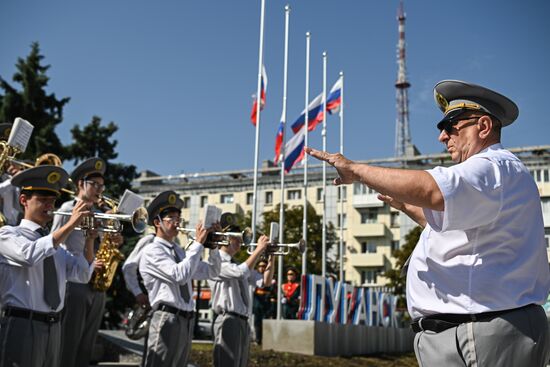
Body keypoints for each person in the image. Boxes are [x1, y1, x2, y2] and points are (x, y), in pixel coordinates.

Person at [306, 80, 550, 366]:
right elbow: (457, 232)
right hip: (465, 331)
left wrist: (356, 170)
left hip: (481, 332)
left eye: (450, 125)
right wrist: (406, 206)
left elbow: (432, 189)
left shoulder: (493, 165)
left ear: (483, 127)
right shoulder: (486, 180)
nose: (442, 137)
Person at [0, 165, 95, 366]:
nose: (49, 205)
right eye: (42, 199)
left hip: (54, 326)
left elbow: (81, 274)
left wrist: (89, 240)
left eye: (52, 200)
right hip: (23, 323)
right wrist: (70, 224)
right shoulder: (8, 234)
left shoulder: (55, 246)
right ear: (23, 200)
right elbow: (29, 255)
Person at [53, 157, 123, 367]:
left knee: (87, 343)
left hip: (95, 282)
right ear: (79, 184)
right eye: (94, 184)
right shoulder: (67, 207)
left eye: (101, 186)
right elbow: (54, 242)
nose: (99, 190)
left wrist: (115, 239)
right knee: (70, 340)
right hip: (74, 281)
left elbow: (104, 244)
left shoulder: (99, 213)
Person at [139, 190, 221, 367]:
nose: (177, 223)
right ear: (157, 222)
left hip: (185, 319)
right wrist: (198, 244)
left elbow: (212, 272)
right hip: (166, 316)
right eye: (171, 218)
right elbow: (179, 275)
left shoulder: (179, 251)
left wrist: (213, 246)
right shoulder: (152, 250)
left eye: (179, 218)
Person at [208, 218, 275, 367]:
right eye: (235, 237)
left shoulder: (237, 263)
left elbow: (265, 281)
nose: (240, 241)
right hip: (227, 319)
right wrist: (259, 249)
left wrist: (271, 256)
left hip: (243, 321)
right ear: (224, 238)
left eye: (240, 237)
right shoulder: (216, 262)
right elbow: (240, 273)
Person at [122, 231, 155, 308]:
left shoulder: (173, 245)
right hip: (146, 295)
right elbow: (129, 266)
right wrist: (138, 292)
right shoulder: (150, 239)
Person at [0, 122, 23, 226]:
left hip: (9, 227)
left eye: (9, 150)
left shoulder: (8, 177)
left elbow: (18, 207)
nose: (6, 153)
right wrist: (13, 181)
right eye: (3, 149)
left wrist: (21, 181)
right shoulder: (10, 180)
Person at [252, 259, 275, 344]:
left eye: (264, 266)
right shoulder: (254, 277)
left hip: (267, 305)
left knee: (265, 324)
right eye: (260, 266)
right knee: (257, 324)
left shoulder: (272, 280)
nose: (261, 268)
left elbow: (273, 294)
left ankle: (266, 341)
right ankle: (258, 340)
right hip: (257, 305)